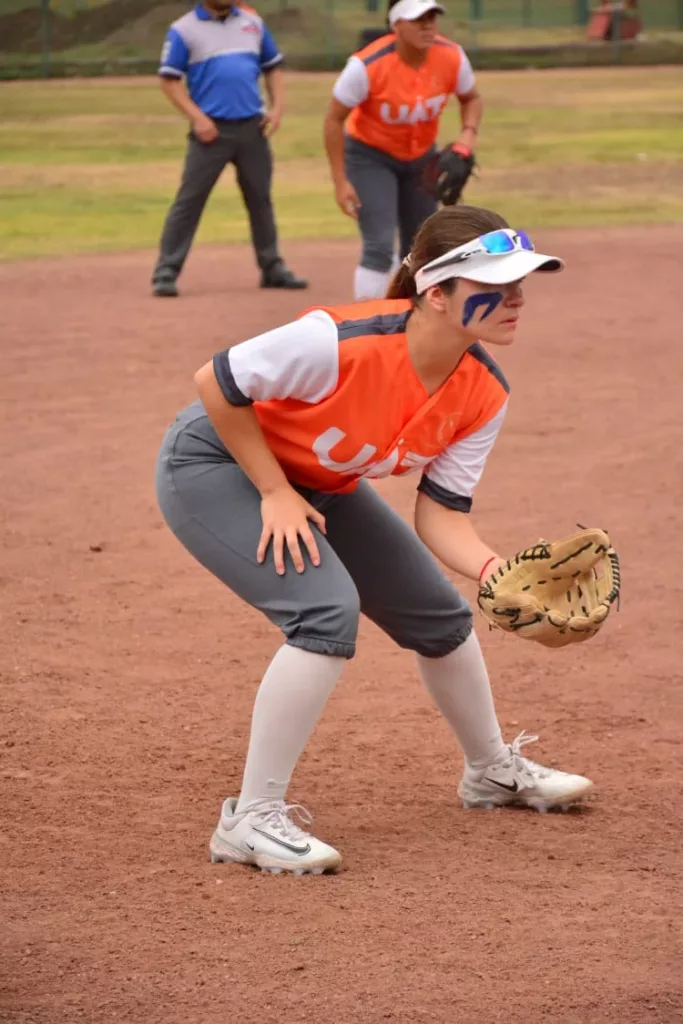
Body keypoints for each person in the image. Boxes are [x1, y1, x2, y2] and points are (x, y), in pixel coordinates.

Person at [155, 203, 594, 877]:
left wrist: (494, 573)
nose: (517, 298)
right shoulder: (339, 340)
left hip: (320, 482)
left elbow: (442, 513)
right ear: (437, 293)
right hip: (215, 464)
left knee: (440, 617)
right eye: (495, 285)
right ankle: (249, 819)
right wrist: (274, 493)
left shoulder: (481, 391)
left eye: (520, 283)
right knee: (323, 612)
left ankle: (489, 772)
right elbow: (216, 384)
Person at [323, 0, 483, 302]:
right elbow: (333, 119)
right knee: (379, 245)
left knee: (419, 245)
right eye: (417, 18)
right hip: (370, 157)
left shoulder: (451, 56)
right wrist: (340, 180)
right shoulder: (366, 65)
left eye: (432, 16)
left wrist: (466, 137)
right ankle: (367, 322)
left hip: (422, 158)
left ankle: (406, 318)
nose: (428, 25)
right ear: (396, 25)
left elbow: (471, 98)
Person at [152, 0, 307, 297]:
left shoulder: (253, 23)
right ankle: (166, 271)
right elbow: (169, 80)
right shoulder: (184, 29)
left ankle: (272, 267)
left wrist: (277, 109)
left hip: (252, 128)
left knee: (260, 200)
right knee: (189, 201)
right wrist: (198, 118)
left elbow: (272, 67)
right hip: (211, 132)